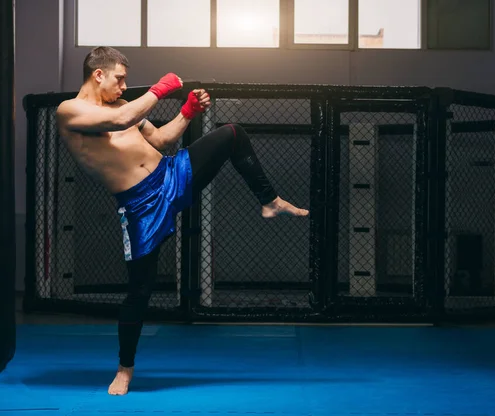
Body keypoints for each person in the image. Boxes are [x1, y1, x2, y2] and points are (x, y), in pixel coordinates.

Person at [56, 46, 309, 396]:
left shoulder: (123, 107)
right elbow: (119, 121)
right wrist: (159, 89)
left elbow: (161, 139)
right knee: (139, 291)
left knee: (233, 133)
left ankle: (270, 201)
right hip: (139, 206)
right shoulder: (71, 111)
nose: (123, 86)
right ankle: (124, 369)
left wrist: (187, 112)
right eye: (119, 78)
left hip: (171, 174)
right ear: (98, 74)